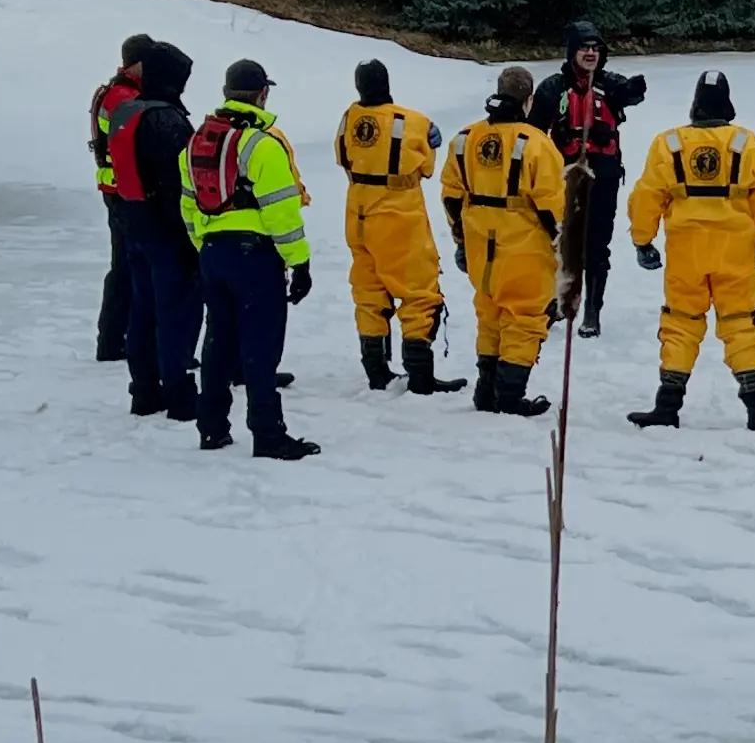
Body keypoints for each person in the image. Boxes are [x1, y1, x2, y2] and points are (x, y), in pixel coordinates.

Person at [625, 70, 755, 431]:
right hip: (735, 249)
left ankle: (667, 405)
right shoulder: (748, 144)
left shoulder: (668, 144)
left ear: (695, 103)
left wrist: (643, 240)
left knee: (680, 322)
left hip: (686, 250)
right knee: (741, 322)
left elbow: (647, 195)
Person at [181, 60, 319, 460]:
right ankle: (268, 432)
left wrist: (205, 247)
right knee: (260, 345)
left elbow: (188, 207)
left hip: (212, 253)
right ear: (263, 94)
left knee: (218, 341)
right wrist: (300, 263)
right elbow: (281, 212)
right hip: (255, 257)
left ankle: (211, 427)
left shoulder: (197, 142)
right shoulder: (262, 145)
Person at [442, 67, 567, 417]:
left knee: (490, 312)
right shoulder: (537, 144)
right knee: (525, 317)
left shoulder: (464, 139)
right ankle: (510, 396)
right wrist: (564, 248)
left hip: (481, 243)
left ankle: (486, 390)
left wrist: (461, 238)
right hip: (524, 245)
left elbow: (451, 197)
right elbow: (552, 206)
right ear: (528, 101)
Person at [335, 59, 462, 395]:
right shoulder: (413, 121)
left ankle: (376, 372)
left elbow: (342, 157)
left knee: (369, 292)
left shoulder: (348, 119)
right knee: (419, 293)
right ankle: (420, 376)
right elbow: (426, 167)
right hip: (399, 218)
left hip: (358, 214)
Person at [105, 41, 204, 421]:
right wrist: (191, 239)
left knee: (143, 312)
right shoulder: (168, 120)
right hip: (167, 230)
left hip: (134, 221)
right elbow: (178, 184)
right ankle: (179, 395)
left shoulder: (127, 110)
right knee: (176, 312)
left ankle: (144, 390)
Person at [529, 21, 646, 338]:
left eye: (596, 48)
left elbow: (627, 94)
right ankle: (556, 302)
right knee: (560, 243)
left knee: (596, 247)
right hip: (563, 178)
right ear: (572, 52)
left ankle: (591, 311)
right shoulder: (553, 88)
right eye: (585, 47)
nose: (591, 53)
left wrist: (634, 90)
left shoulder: (609, 84)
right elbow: (533, 132)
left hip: (603, 177)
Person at [90, 33, 154, 362]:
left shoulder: (115, 92)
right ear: (137, 63)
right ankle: (114, 341)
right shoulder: (123, 97)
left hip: (115, 188)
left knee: (126, 266)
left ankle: (116, 338)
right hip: (123, 192)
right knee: (128, 268)